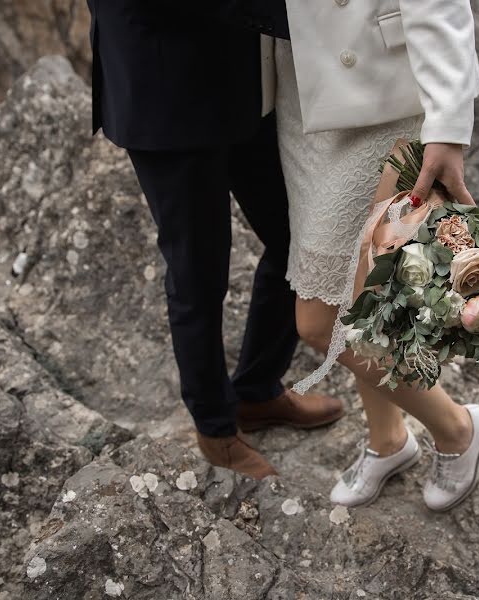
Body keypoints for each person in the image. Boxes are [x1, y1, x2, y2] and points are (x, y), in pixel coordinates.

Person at [85, 0, 344, 479]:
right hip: (164, 88)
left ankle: (257, 390)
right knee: (199, 271)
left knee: (300, 237)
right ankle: (216, 428)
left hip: (243, 80)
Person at [275, 0, 479, 511]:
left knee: (319, 321)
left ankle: (458, 426)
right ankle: (388, 439)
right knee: (361, 300)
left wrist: (448, 122)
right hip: (302, 93)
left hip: (383, 92)